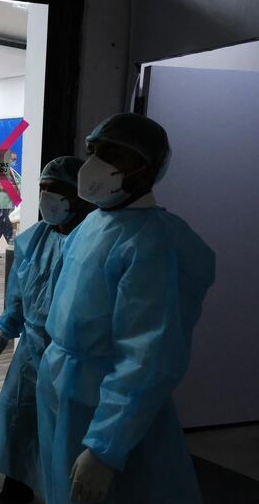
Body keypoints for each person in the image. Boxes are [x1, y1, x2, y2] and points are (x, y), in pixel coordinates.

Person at [37, 113, 215, 504]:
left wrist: (105, 447)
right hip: (65, 387)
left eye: (113, 154)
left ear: (144, 170)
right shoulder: (93, 224)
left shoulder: (151, 243)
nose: (94, 165)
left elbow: (148, 356)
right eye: (94, 151)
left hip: (106, 406)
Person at [0, 156, 93, 504]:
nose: (46, 196)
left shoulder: (92, 243)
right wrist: (3, 334)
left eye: (56, 190)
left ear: (78, 196)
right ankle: (15, 490)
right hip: (31, 351)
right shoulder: (35, 239)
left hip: (71, 358)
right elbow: (20, 296)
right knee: (19, 417)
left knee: (62, 433)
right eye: (43, 188)